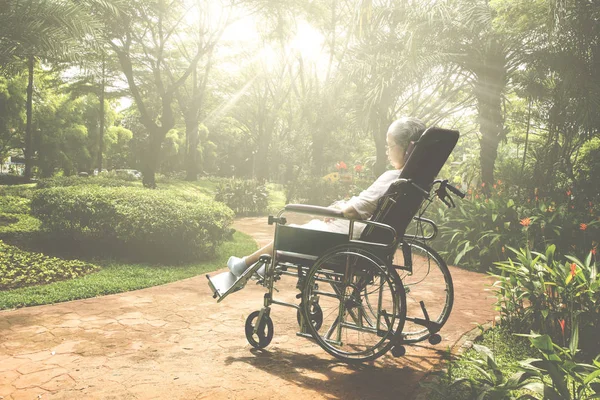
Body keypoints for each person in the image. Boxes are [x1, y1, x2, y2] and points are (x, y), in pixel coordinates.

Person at [227, 117, 426, 277]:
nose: (387, 152)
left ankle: (244, 265)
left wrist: (338, 211)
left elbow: (352, 211)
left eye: (389, 146)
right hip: (366, 239)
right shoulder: (410, 180)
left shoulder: (393, 178)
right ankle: (263, 265)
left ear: (407, 148)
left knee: (289, 233)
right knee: (305, 230)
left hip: (348, 240)